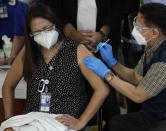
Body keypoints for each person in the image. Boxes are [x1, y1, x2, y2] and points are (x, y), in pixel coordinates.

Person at [84, 3, 166, 131]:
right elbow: (136, 77)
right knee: (116, 124)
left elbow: (138, 95)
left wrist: (106, 74)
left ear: (154, 32)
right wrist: (113, 63)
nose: (134, 30)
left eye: (138, 26)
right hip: (158, 112)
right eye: (134, 23)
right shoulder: (156, 46)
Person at [2, 3, 109, 131]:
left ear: (56, 26)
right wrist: (9, 118)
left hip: (63, 120)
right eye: (38, 32)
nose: (44, 34)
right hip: (32, 118)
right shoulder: (29, 52)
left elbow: (102, 89)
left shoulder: (77, 50)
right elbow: (8, 85)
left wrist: (81, 122)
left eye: (47, 29)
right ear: (31, 35)